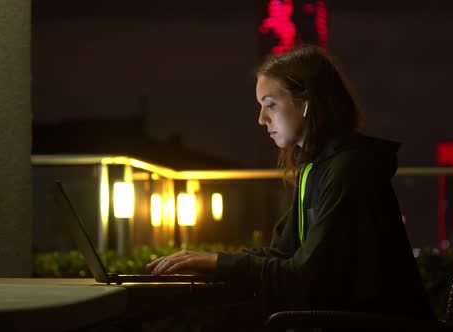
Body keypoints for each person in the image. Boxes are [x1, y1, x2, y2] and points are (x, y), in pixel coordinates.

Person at [146, 45, 433, 325]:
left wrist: (219, 264)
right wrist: (213, 261)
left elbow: (306, 275)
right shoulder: (317, 168)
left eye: (270, 105)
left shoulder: (348, 169)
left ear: (307, 102)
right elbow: (285, 254)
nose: (261, 119)